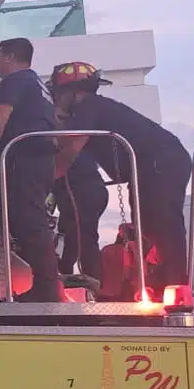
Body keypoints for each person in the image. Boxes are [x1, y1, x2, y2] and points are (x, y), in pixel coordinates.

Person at [49, 60, 193, 293]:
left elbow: (70, 149)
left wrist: (47, 180)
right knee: (146, 224)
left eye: (58, 94)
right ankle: (158, 282)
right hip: (153, 165)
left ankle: (175, 286)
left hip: (161, 163)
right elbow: (65, 140)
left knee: (164, 223)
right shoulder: (93, 109)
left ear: (73, 93)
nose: (56, 99)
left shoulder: (89, 105)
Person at [0, 37, 64, 302]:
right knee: (30, 221)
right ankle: (47, 286)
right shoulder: (38, 85)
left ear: (10, 57)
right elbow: (25, 121)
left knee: (28, 224)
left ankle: (46, 289)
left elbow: (0, 121)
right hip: (40, 159)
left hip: (23, 160)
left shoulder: (13, 81)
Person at [51, 98, 109, 283]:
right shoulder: (67, 140)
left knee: (82, 237)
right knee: (71, 234)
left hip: (84, 191)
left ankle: (92, 281)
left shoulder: (65, 141)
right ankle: (67, 273)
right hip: (88, 191)